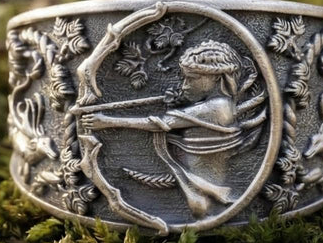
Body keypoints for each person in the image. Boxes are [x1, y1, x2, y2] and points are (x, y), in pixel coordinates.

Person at [79, 40, 245, 218]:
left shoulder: (218, 107)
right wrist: (180, 101)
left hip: (203, 179)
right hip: (196, 172)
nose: (184, 85)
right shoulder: (217, 104)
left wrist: (107, 122)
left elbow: (160, 123)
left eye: (192, 78)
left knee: (200, 208)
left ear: (217, 77)